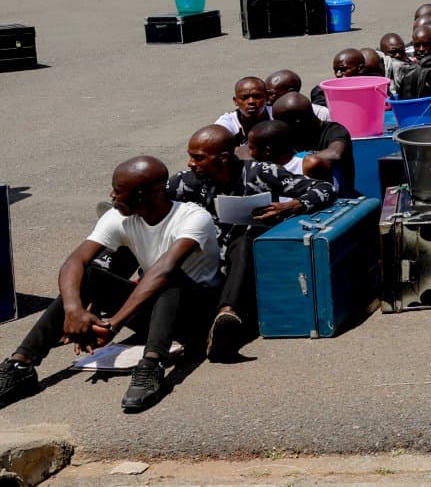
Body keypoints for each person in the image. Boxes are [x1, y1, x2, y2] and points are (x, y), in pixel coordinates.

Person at [0, 157, 221, 413]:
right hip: (157, 309)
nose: (111, 194)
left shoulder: (193, 217)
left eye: (118, 189)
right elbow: (75, 261)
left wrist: (113, 324)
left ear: (142, 195)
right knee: (91, 275)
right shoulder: (118, 216)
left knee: (168, 276)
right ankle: (21, 366)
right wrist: (74, 310)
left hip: (198, 315)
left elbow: (163, 270)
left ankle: (152, 364)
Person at [169, 125, 336, 361]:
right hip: (202, 264)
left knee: (246, 237)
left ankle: (227, 314)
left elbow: (324, 188)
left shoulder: (261, 173)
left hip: (247, 267)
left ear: (224, 158)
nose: (190, 163)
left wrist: (292, 205)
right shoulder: (187, 182)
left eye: (198, 158)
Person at [269, 92, 354, 190]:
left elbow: (335, 154)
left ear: (297, 122)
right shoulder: (288, 135)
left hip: (339, 197)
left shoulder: (334, 130)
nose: (277, 127)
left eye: (280, 122)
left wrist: (298, 162)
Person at [214, 76, 272, 141]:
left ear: (267, 97)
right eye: (244, 98)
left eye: (257, 96)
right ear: (235, 101)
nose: (251, 101)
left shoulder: (277, 115)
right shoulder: (227, 124)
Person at [265, 69, 331, 122]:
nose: (266, 98)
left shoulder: (321, 114)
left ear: (290, 92)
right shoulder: (264, 112)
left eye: (270, 94)